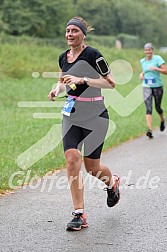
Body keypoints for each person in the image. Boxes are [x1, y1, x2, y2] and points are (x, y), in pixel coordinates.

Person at [48, 16, 120, 231]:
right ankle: (79, 214)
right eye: (67, 31)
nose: (70, 34)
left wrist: (85, 81)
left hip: (96, 116)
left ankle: (112, 183)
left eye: (74, 31)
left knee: (92, 168)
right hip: (72, 115)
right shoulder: (64, 57)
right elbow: (62, 81)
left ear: (83, 34)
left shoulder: (93, 54)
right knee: (72, 158)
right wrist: (56, 89)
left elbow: (111, 83)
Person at [139, 43, 167, 139]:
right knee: (148, 108)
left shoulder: (158, 59)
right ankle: (149, 129)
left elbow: (166, 71)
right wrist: (141, 74)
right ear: (144, 51)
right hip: (146, 86)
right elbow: (144, 70)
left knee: (157, 107)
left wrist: (156, 68)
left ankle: (162, 119)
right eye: (146, 50)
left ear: (152, 50)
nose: (148, 51)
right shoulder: (142, 61)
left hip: (157, 86)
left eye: (149, 50)